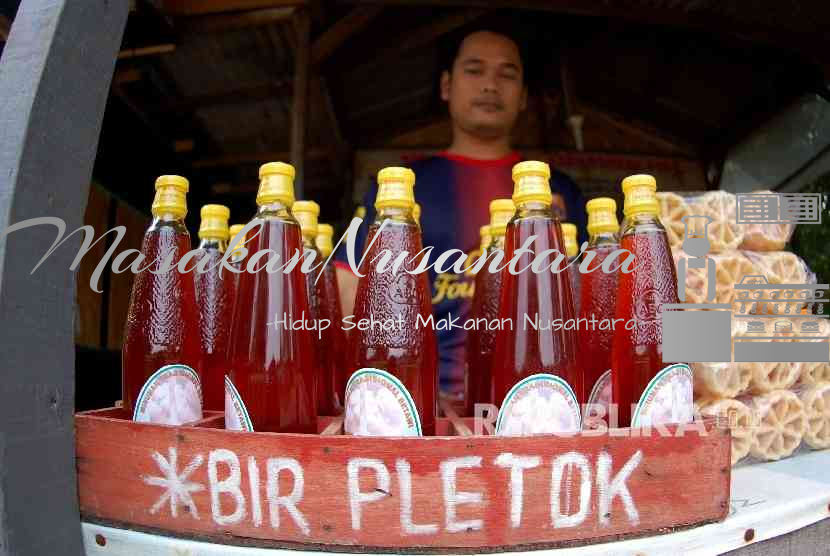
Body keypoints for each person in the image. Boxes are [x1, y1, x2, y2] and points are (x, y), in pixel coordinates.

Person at [337, 26, 586, 399]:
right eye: (474, 70)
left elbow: (596, 296)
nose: (490, 85)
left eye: (507, 74)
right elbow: (346, 288)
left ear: (522, 97)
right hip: (420, 402)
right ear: (446, 86)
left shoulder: (558, 189)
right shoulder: (399, 188)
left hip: (542, 397)